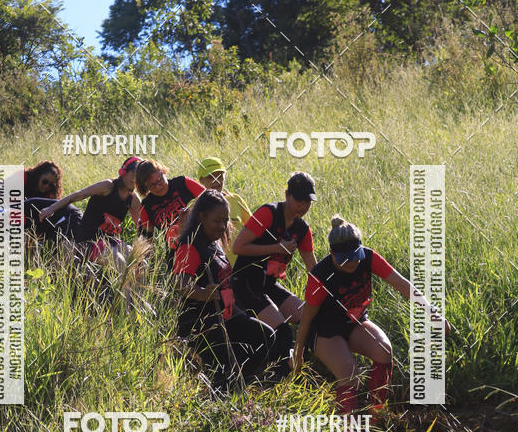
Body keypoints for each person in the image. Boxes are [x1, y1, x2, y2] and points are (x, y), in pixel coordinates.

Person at [292, 214, 451, 414]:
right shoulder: (321, 276)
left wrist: (433, 313)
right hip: (324, 331)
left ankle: (376, 415)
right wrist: (298, 354)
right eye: (345, 259)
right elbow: (307, 318)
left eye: (355, 256)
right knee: (350, 373)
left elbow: (402, 285)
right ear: (332, 253)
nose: (352, 263)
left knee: (384, 351)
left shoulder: (368, 258)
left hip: (354, 323)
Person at [173, 190, 277, 391]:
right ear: (202, 217)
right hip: (204, 323)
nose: (222, 226)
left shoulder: (215, 244)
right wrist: (202, 293)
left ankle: (236, 385)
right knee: (224, 367)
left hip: (227, 317)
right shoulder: (190, 246)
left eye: (225, 221)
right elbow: (180, 281)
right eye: (217, 221)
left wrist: (237, 311)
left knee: (265, 336)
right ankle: (225, 394)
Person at [231, 171, 317, 374]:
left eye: (307, 202)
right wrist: (277, 247)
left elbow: (313, 268)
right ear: (287, 195)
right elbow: (238, 247)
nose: (303, 206)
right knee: (283, 332)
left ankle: (310, 368)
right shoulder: (268, 213)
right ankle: (276, 381)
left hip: (268, 284)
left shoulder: (302, 229)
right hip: (244, 282)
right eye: (299, 200)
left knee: (310, 318)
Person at [39, 156, 141, 264]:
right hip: (88, 241)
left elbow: (142, 228)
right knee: (120, 262)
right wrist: (51, 208)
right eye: (133, 173)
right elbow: (77, 195)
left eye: (140, 177)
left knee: (140, 263)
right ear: (124, 171)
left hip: (110, 241)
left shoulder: (133, 199)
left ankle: (134, 281)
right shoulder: (107, 186)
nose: (135, 179)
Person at [136, 160, 204, 260]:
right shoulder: (146, 205)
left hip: (201, 238)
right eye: (152, 186)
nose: (158, 187)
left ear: (163, 171)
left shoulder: (182, 183)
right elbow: (146, 238)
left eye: (159, 180)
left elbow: (210, 198)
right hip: (176, 252)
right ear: (145, 187)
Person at [196, 156, 251, 265]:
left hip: (243, 265)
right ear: (201, 180)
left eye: (220, 176)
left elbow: (255, 228)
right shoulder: (195, 206)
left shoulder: (236, 199)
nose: (216, 180)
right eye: (211, 177)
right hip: (215, 269)